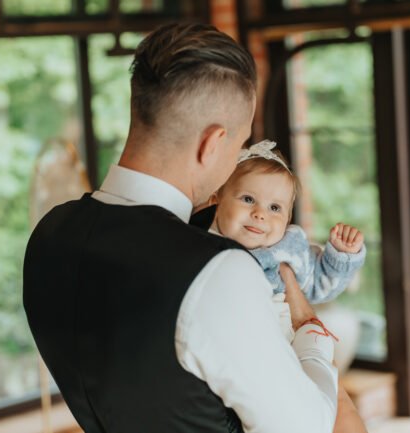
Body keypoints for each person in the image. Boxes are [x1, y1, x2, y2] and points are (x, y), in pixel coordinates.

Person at [24, 22, 343, 433]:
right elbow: (308, 427)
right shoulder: (217, 270)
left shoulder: (48, 237)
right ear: (212, 144)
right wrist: (311, 335)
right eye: (240, 145)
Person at [209, 140, 366, 335]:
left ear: (287, 220)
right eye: (248, 199)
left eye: (275, 208)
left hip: (282, 342)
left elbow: (321, 284)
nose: (260, 214)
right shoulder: (203, 244)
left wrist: (341, 255)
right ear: (216, 202)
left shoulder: (288, 249)